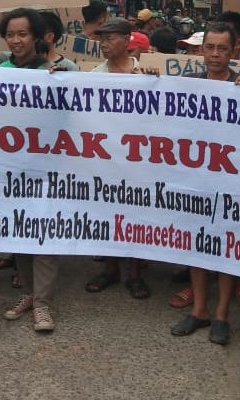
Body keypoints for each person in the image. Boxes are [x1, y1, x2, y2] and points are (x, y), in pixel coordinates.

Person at [171, 23, 240, 346]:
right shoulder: (190, 84)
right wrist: (151, 79)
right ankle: (199, 310)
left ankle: (221, 314)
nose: (216, 55)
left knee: (225, 249)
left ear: (234, 50)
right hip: (196, 182)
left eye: (223, 48)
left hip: (231, 183)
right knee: (197, 246)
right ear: (201, 49)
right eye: (210, 48)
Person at [0, 8, 62, 332]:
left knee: (44, 232)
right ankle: (30, 295)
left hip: (46, 166)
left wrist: (58, 85)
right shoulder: (0, 70)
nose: (16, 40)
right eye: (11, 34)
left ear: (36, 37)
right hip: (11, 166)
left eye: (22, 34)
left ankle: (44, 304)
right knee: (20, 231)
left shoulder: (56, 71)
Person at [85, 17, 151, 298]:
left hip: (137, 160)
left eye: (111, 38)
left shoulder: (145, 76)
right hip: (105, 157)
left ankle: (134, 272)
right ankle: (110, 268)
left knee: (136, 212)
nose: (104, 44)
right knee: (106, 212)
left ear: (127, 41)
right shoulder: (92, 77)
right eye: (102, 39)